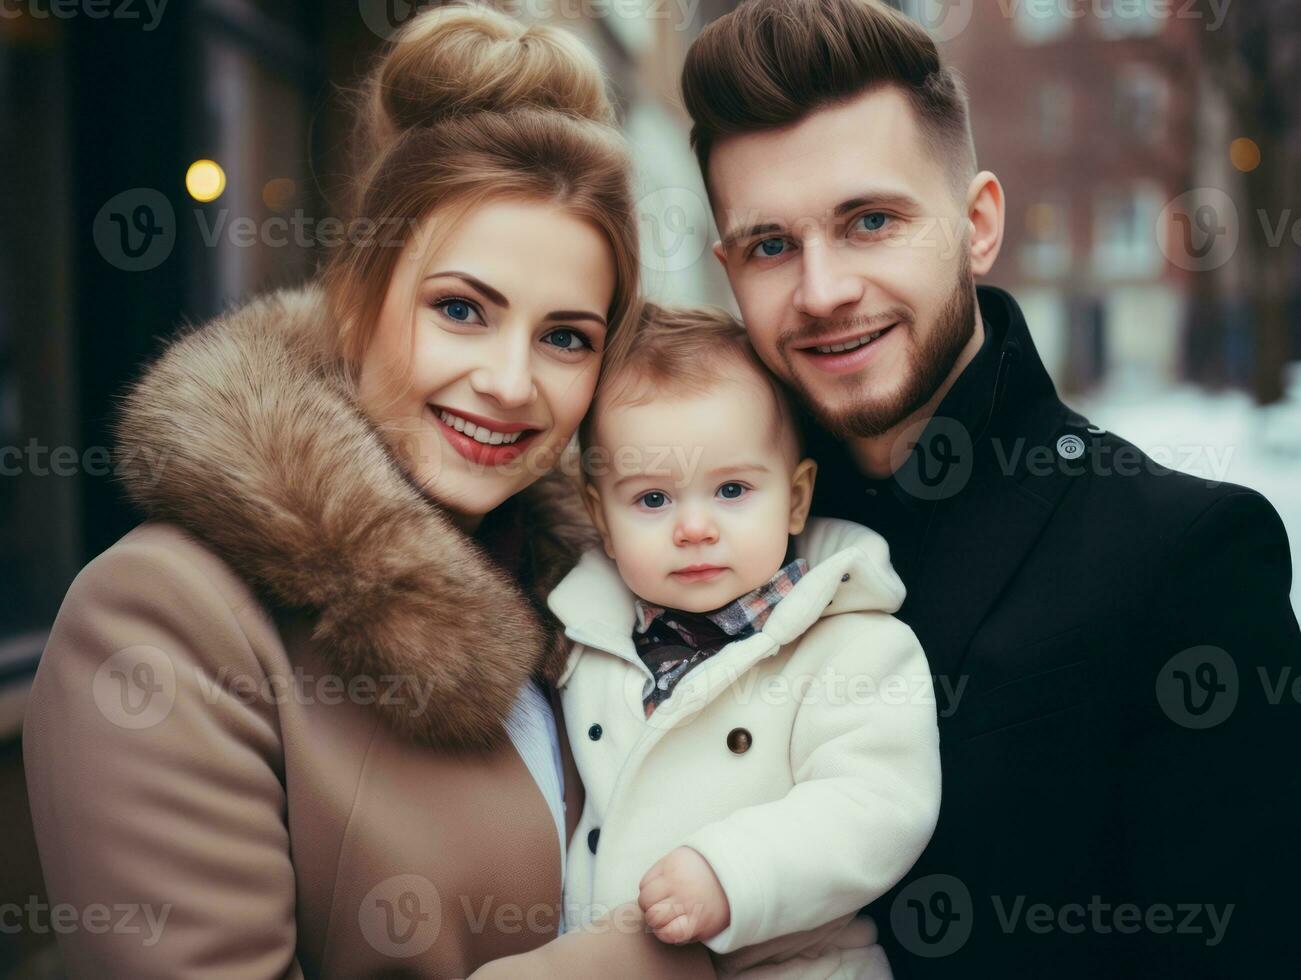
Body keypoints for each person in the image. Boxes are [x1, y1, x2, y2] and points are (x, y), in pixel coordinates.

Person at [22, 5, 714, 977]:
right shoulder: (161, 622)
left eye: (565, 336)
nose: (510, 382)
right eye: (461, 309)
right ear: (354, 299)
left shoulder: (603, 600)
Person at [679, 0, 1301, 976]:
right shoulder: (693, 546)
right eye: (768, 246)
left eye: (869, 220)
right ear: (728, 270)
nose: (821, 288)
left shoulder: (1183, 558)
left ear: (975, 225)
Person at [552, 302, 941, 979]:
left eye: (731, 489)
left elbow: (878, 805)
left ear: (794, 499)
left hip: (798, 964)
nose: (694, 527)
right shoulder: (582, 639)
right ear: (600, 519)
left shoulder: (852, 645)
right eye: (651, 500)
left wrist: (730, 873)